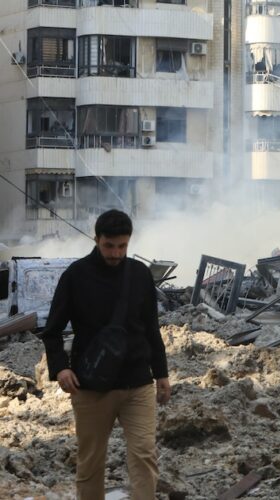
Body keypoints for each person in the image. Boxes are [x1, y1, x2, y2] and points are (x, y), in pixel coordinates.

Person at [41, 209, 170, 500]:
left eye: (122, 246)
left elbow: (151, 328)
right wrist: (61, 369)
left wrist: (161, 375)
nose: (115, 253)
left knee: (144, 456)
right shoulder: (75, 276)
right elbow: (52, 330)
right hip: (91, 386)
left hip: (137, 383)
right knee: (90, 463)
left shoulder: (138, 275)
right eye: (109, 245)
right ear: (96, 239)